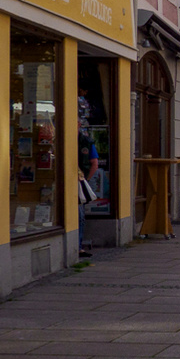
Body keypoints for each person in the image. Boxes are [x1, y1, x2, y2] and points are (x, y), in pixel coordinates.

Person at [76, 105, 99, 257]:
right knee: (80, 215)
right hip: (78, 180)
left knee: (80, 214)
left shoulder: (86, 141)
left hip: (79, 181)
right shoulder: (85, 141)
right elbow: (94, 163)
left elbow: (94, 163)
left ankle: (78, 245)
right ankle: (78, 246)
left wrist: (87, 180)